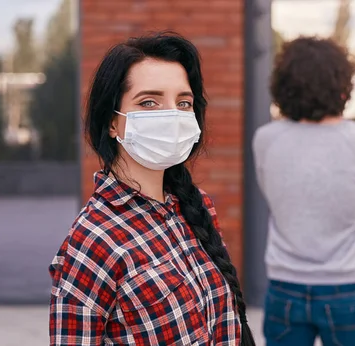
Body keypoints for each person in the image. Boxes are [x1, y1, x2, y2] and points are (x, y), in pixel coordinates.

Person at [48, 32, 255, 346]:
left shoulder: (196, 206)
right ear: (112, 122)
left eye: (183, 102)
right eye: (149, 102)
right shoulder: (93, 240)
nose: (172, 115)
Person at [253, 37, 355, 346]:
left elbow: (273, 197)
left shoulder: (265, 138)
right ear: (343, 83)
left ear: (283, 84)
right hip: (346, 287)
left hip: (284, 284)